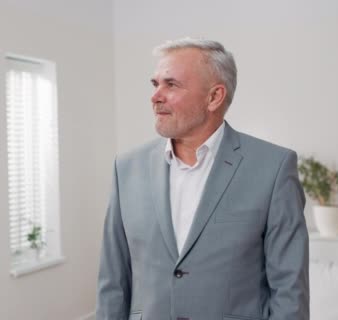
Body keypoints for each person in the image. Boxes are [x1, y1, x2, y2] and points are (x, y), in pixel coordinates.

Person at [96, 38, 309, 320]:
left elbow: (289, 290)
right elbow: (113, 282)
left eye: (171, 85)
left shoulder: (274, 167)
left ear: (214, 97)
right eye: (155, 84)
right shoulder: (126, 168)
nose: (156, 96)